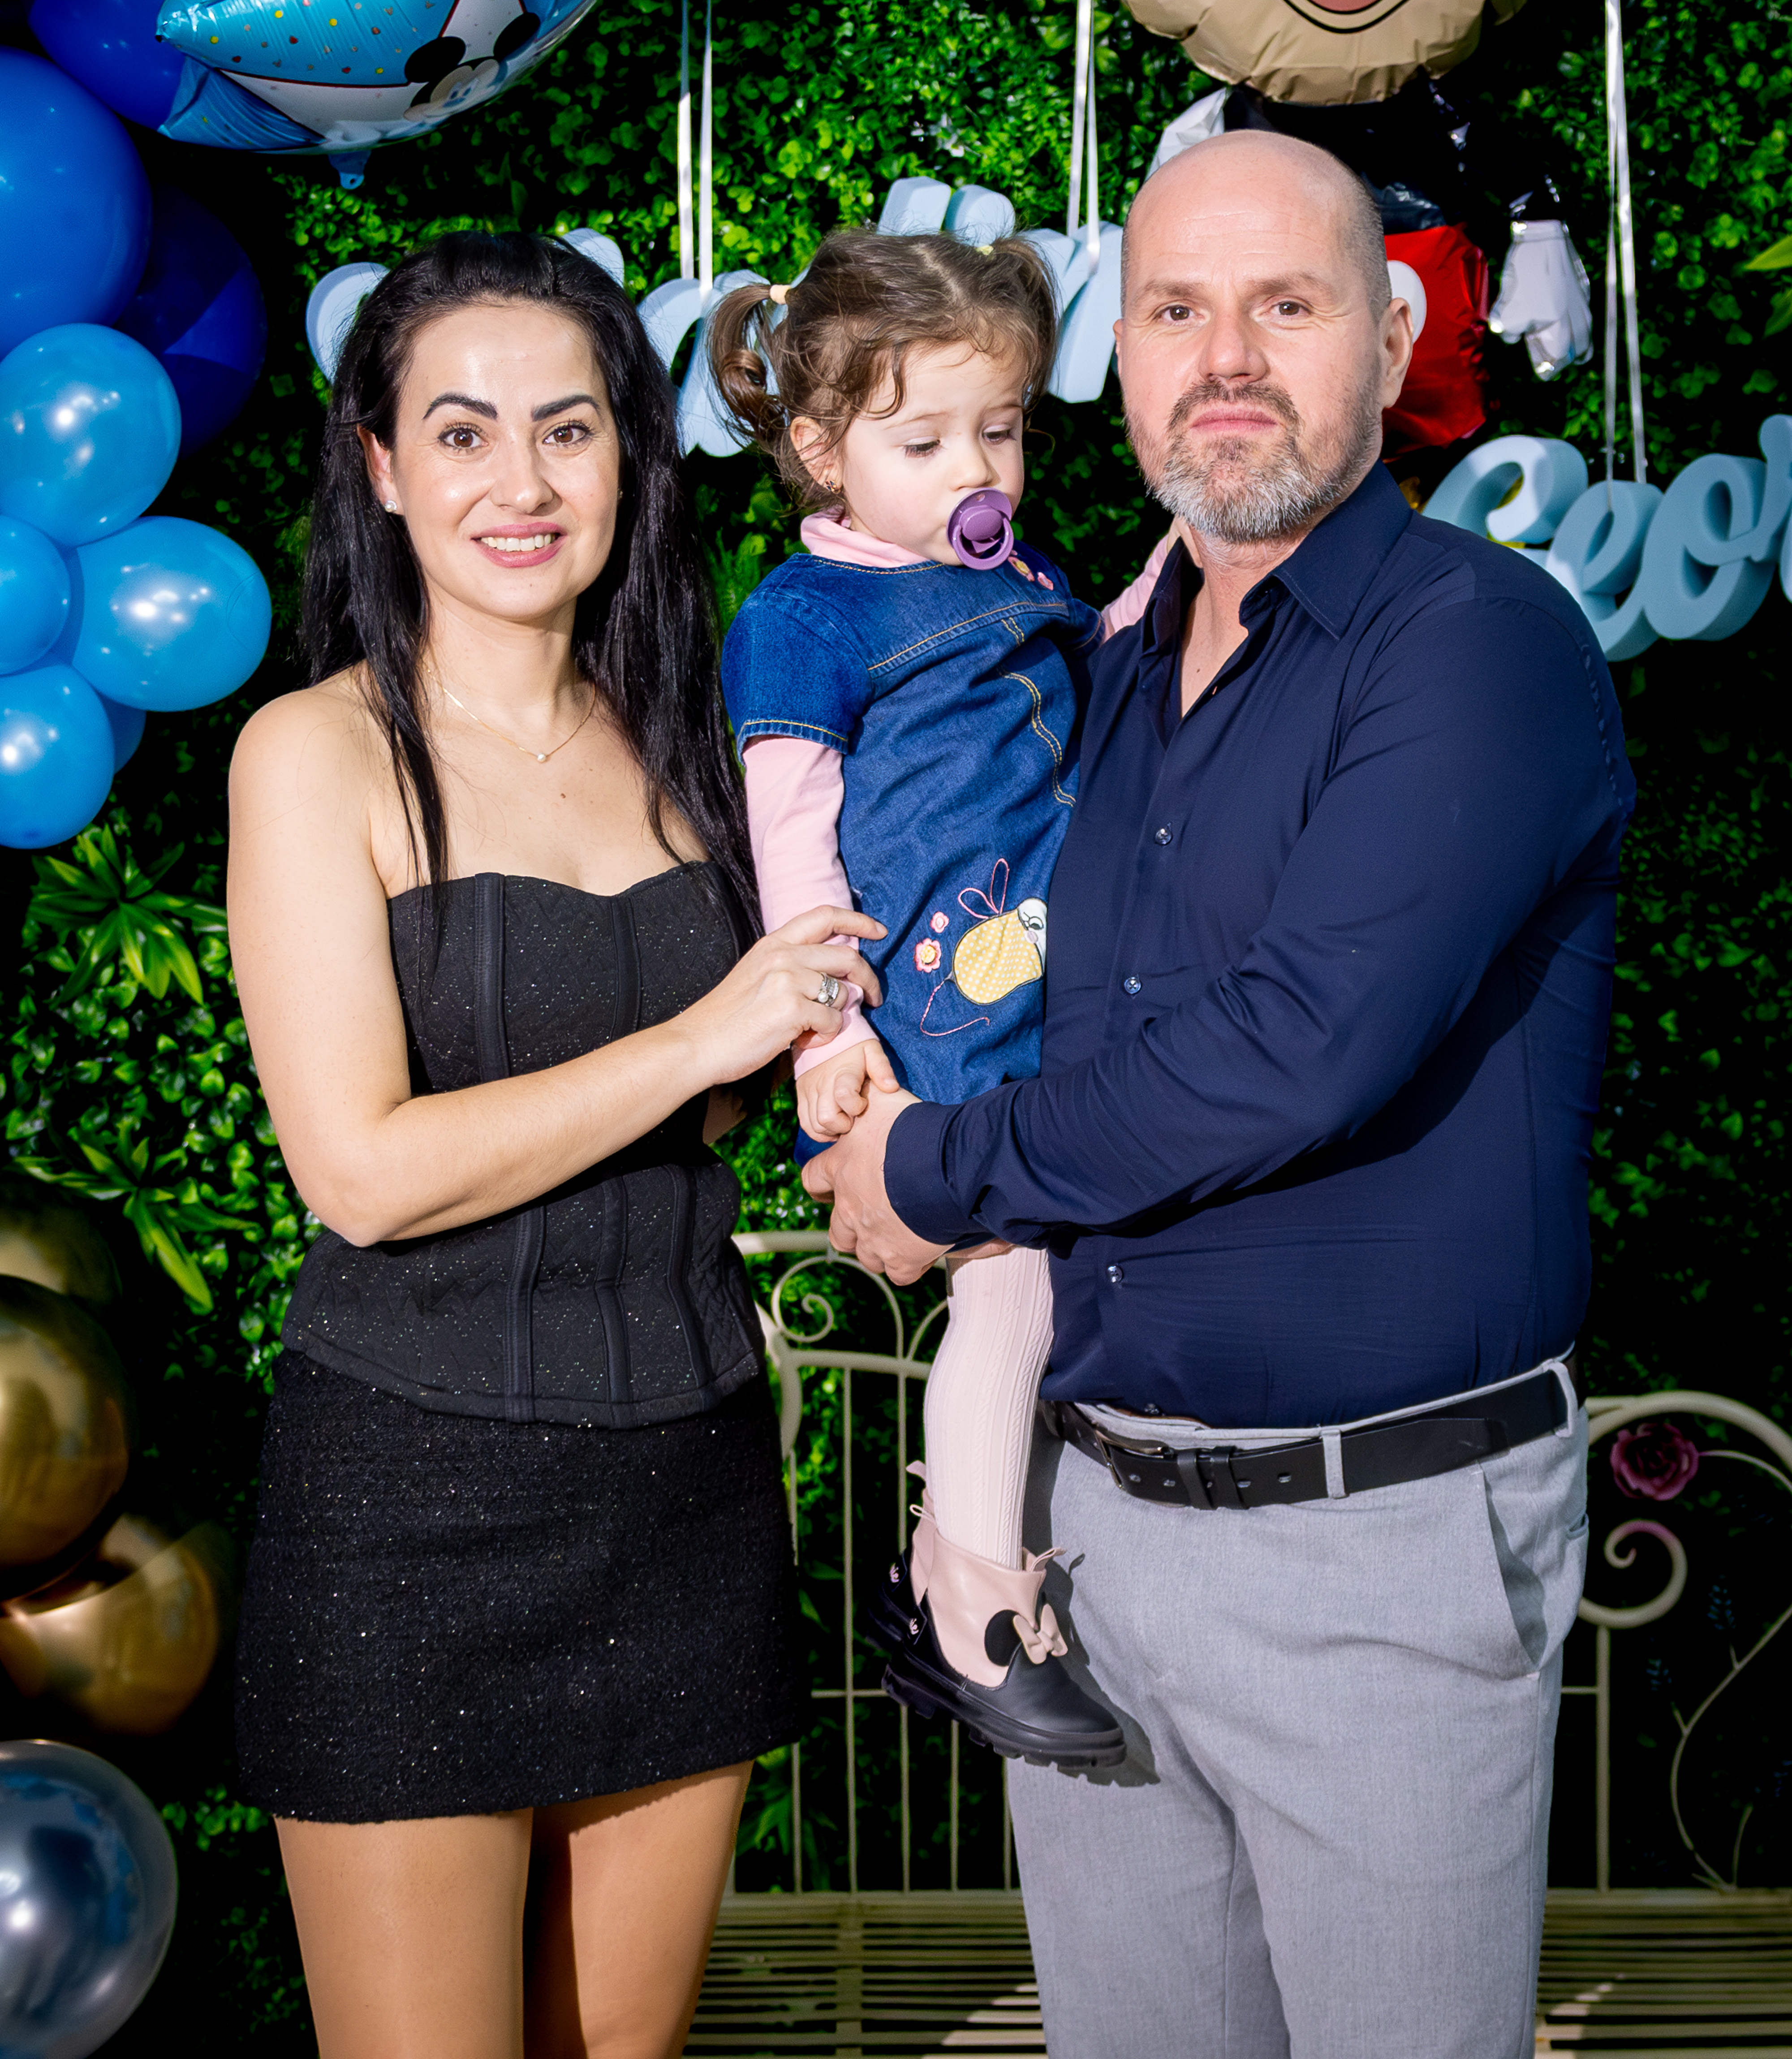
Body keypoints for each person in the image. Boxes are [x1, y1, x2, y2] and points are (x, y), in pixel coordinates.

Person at [806, 131, 1635, 2059]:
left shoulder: (1478, 644)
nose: (1228, 358)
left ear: (1393, 337)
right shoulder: (1085, 677)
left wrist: (933, 1167)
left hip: (1379, 1555)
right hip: (1091, 1544)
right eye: (1177, 310)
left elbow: (1299, 1043)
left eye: (1288, 304)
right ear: (1122, 355)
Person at [227, 231, 884, 2059]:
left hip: (687, 1492)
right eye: (463, 432)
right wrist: (696, 1037)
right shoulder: (316, 755)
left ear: (628, 459)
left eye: (567, 429)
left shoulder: (702, 741)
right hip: (409, 1508)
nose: (519, 482)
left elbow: (775, 1068)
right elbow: (360, 1171)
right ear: (381, 466)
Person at [709, 230, 1163, 1770]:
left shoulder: (1012, 571)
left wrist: (1174, 572)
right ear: (820, 451)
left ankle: (995, 1565)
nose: (979, 470)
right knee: (1011, 1279)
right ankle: (966, 1598)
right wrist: (826, 1040)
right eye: (925, 442)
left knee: (1057, 1278)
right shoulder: (806, 617)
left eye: (1003, 429)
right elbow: (790, 843)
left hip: (1053, 988)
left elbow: (1094, 680)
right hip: (931, 1017)